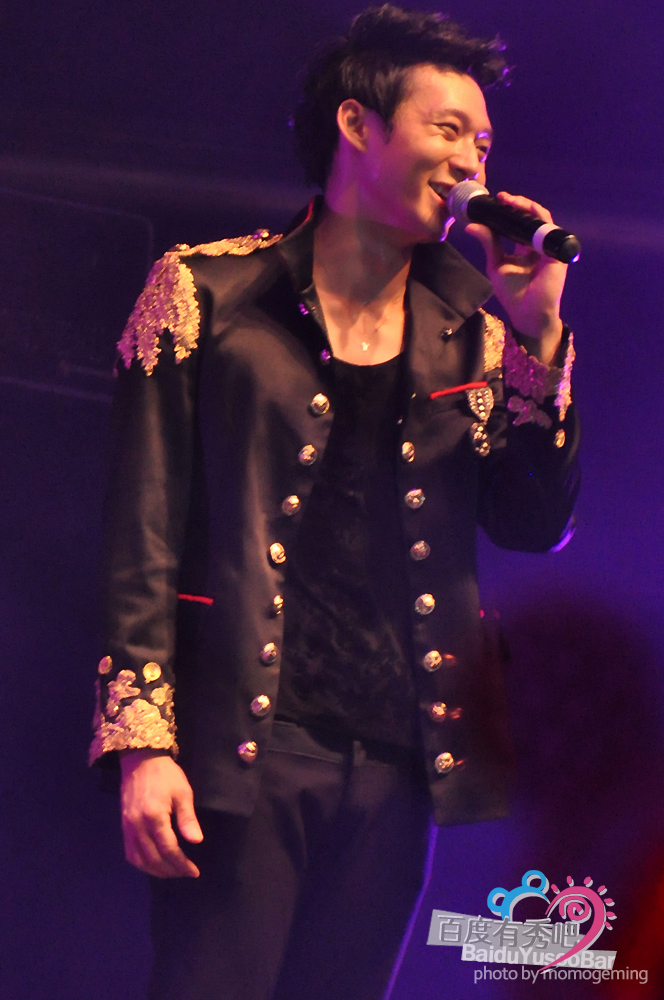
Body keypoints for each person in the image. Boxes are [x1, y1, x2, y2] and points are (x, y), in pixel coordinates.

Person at [90, 5, 579, 999]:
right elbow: (142, 534)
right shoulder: (205, 294)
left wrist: (537, 337)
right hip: (245, 750)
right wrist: (143, 743)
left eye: (484, 145)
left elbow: (531, 524)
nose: (472, 164)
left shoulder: (474, 334)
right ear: (358, 123)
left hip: (402, 765)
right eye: (448, 130)